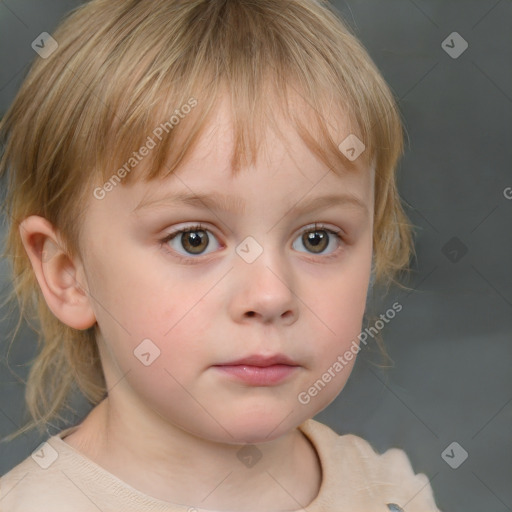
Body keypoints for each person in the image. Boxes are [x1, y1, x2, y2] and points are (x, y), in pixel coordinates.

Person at [0, 0, 442, 510]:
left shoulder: (391, 495)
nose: (271, 295)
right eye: (194, 239)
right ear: (68, 274)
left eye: (317, 238)